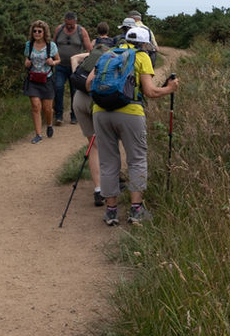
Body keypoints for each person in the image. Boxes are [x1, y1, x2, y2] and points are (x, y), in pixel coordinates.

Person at [86, 26, 179, 227]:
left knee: (108, 161)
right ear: (145, 44)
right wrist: (170, 89)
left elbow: (88, 84)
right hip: (130, 112)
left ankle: (111, 211)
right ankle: (136, 211)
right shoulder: (141, 56)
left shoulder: (107, 54)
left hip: (101, 112)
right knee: (136, 159)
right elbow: (150, 92)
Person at [70, 43, 111, 206]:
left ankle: (98, 189)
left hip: (78, 100)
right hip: (96, 101)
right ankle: (110, 183)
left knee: (93, 146)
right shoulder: (109, 58)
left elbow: (73, 58)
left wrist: (88, 55)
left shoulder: (88, 61)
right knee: (107, 144)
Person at [24, 21, 60, 144]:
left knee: (47, 108)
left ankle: (49, 124)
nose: (37, 33)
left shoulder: (51, 45)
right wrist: (26, 63)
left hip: (47, 79)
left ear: (44, 32)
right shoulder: (29, 44)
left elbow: (58, 60)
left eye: (39, 31)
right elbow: (27, 58)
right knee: (35, 106)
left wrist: (53, 62)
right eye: (34, 31)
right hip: (33, 79)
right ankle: (38, 134)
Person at [53, 11, 92, 126]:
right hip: (60, 66)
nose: (69, 26)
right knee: (58, 88)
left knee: (75, 91)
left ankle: (74, 116)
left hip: (75, 67)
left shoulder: (81, 31)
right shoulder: (59, 29)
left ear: (75, 21)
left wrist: (87, 65)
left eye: (71, 24)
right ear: (64, 21)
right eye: (67, 24)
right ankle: (58, 115)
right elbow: (53, 45)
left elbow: (89, 49)